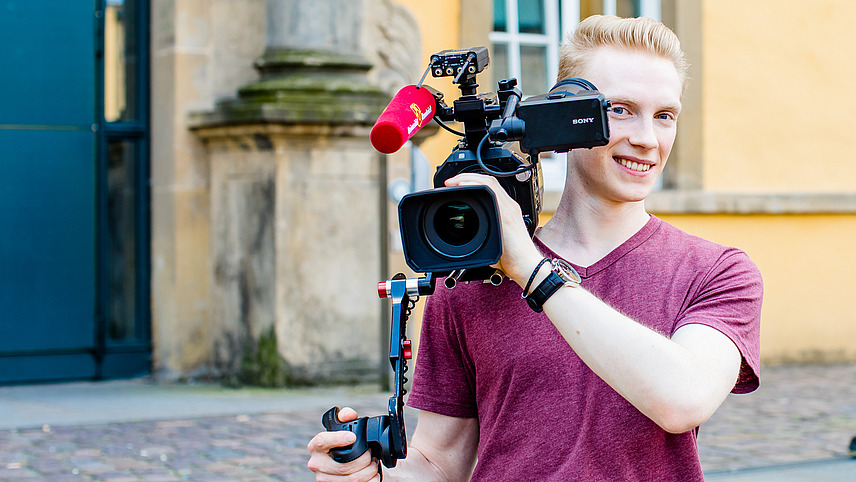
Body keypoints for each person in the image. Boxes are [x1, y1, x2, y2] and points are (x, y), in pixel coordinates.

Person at [308, 14, 762, 481]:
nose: (647, 139)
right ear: (566, 118)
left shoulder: (717, 271)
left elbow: (682, 399)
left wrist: (531, 268)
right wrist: (369, 477)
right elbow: (437, 461)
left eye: (664, 116)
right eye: (620, 110)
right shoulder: (473, 275)